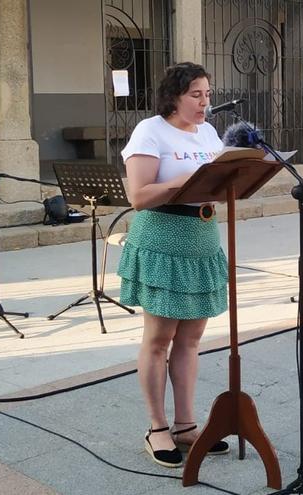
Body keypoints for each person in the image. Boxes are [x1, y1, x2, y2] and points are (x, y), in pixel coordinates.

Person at [117, 62, 231, 468]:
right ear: (174, 97)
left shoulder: (208, 132)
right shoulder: (150, 130)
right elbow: (139, 196)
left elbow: (218, 182)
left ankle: (185, 424)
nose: (205, 102)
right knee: (159, 339)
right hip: (163, 237)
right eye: (195, 95)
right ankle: (157, 427)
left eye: (208, 94)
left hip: (201, 239)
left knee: (191, 340)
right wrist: (183, 183)